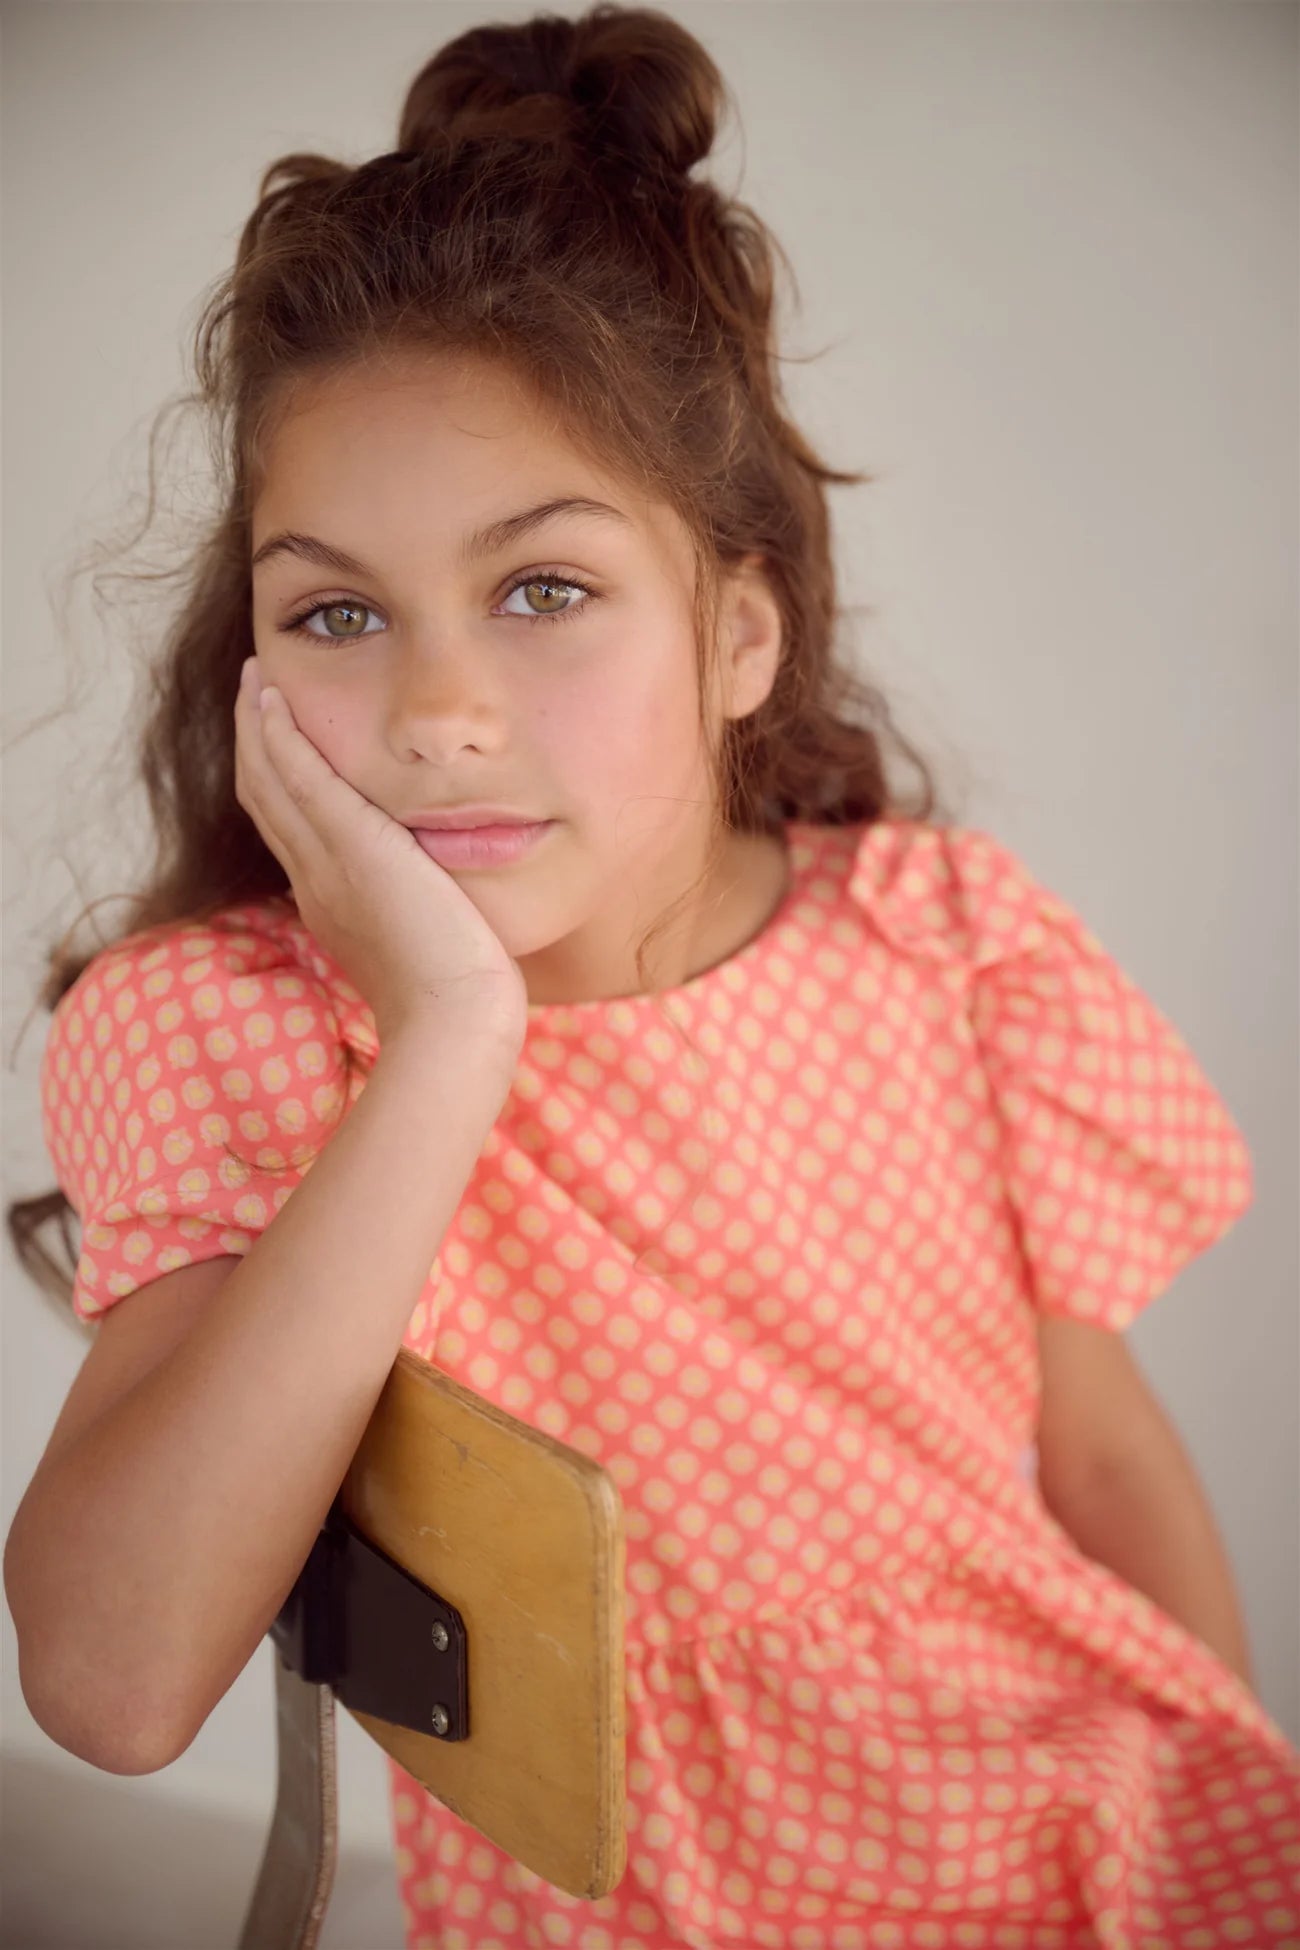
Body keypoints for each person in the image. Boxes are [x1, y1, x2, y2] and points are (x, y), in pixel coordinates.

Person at [6, 5, 1299, 1946]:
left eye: (542, 588)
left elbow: (1097, 1456)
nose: (437, 712)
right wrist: (445, 1038)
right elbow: (109, 1685)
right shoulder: (232, 1032)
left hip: (1099, 1836)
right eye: (337, 610)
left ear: (737, 632)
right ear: (255, 659)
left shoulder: (937, 943)